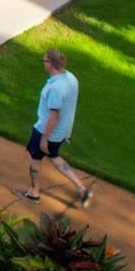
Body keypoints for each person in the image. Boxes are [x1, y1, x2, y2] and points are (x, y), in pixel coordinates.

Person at [23, 48, 91, 206]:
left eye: (44, 61)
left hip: (46, 130)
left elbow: (54, 115)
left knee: (34, 156)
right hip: (62, 131)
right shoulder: (71, 78)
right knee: (54, 156)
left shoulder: (56, 88)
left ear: (51, 64)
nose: (43, 63)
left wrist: (44, 138)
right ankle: (82, 189)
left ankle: (33, 192)